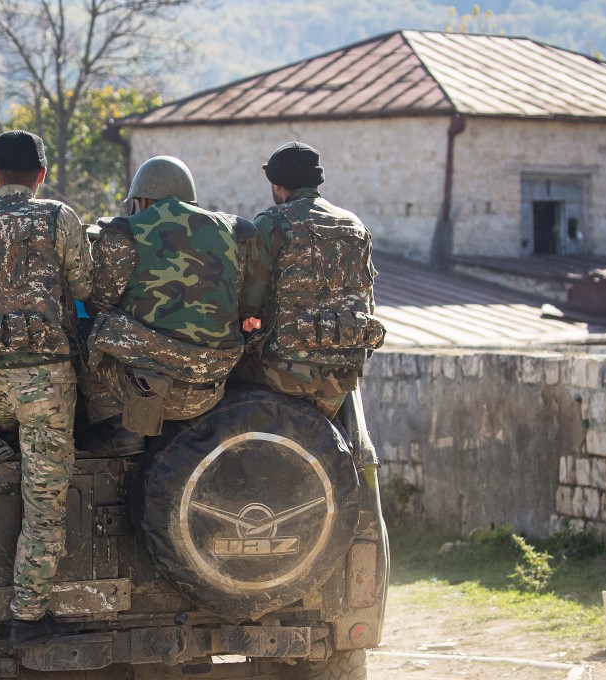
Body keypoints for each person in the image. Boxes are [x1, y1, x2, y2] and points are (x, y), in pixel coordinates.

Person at [0, 129, 91, 643]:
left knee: (11, 475)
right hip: (44, 389)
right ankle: (29, 616)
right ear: (41, 177)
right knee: (44, 501)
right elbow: (86, 287)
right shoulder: (56, 218)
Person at [80, 155, 254, 449]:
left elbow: (100, 303)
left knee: (91, 333)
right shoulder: (231, 233)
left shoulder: (123, 234)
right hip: (211, 385)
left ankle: (121, 434)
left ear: (143, 200)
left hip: (146, 388)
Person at [237, 141, 386, 418]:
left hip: (282, 371)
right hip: (343, 377)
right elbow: (368, 302)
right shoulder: (354, 225)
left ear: (277, 185)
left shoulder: (271, 222)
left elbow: (248, 302)